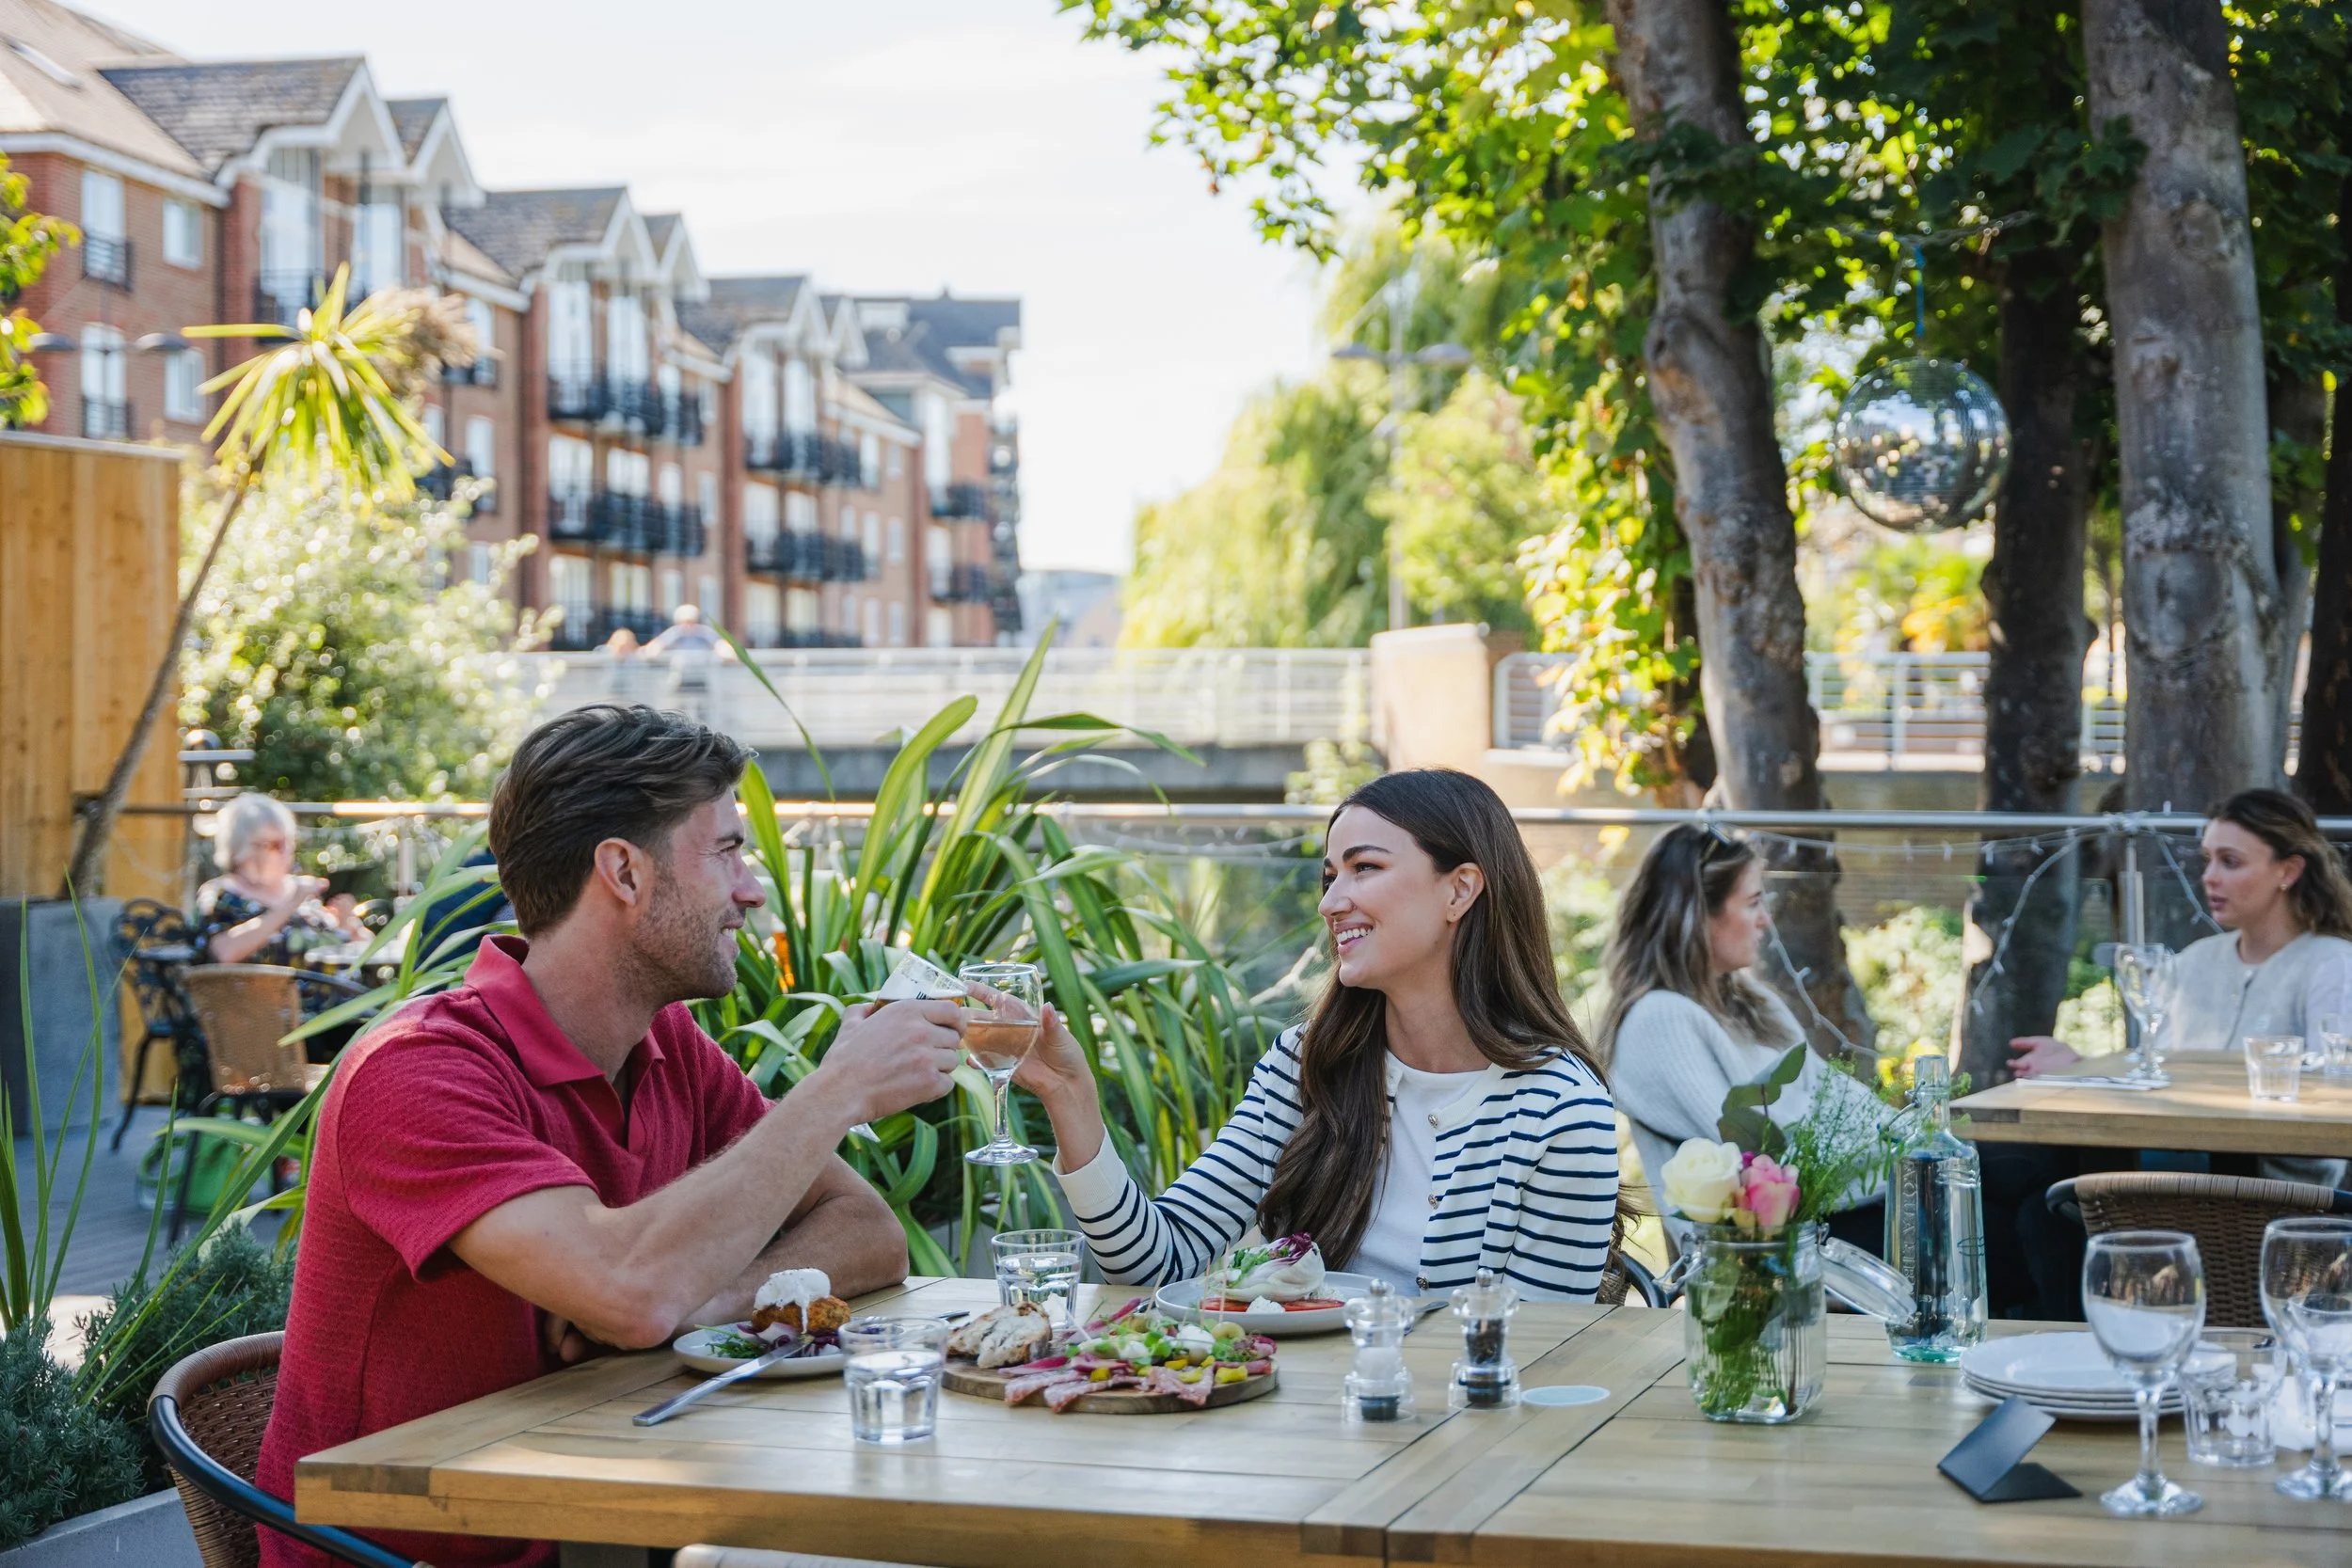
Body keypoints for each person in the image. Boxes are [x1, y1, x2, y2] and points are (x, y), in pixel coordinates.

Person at [256, 706, 964, 1568]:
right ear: (624, 871)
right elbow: (627, 1291)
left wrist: (705, 1302)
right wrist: (839, 1088)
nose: (751, 889)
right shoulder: (416, 1071)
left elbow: (869, 1233)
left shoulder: (667, 1046)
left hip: (609, 1527)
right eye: (727, 852)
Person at [1016, 768, 1619, 1300]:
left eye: (1365, 868)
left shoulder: (1561, 1111)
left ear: (1459, 889)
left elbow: (1536, 1352)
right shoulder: (1304, 1066)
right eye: (1330, 877)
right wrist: (1070, 1096)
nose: (1331, 902)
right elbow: (1156, 1263)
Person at [2010, 786, 2352, 1187]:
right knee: (2005, 1165)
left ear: (2288, 872)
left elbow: (2333, 1093)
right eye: (2208, 860)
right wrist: (2081, 1065)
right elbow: (2159, 1073)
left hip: (2268, 1180)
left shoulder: (2333, 964)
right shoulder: (2196, 960)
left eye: (2230, 862)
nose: (2209, 877)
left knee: (2036, 1178)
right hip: (2171, 1153)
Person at [1598, 824, 1890, 1255]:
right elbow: (1757, 1157)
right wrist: (1900, 1157)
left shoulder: (1752, 1003)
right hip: (1765, 1249)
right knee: (1987, 1188)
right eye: (1753, 902)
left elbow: (1836, 1096)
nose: (1765, 919)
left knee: (1984, 1173)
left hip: (1827, 1217)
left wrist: (1911, 1142)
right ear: (1698, 914)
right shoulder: (1659, 1021)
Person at [192, 793, 366, 966]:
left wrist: (349, 927)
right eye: (275, 845)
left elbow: (363, 950)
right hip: (261, 984)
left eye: (288, 841)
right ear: (241, 847)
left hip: (339, 983)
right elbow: (224, 952)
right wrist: (290, 905)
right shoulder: (221, 894)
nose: (286, 850)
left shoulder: (302, 889)